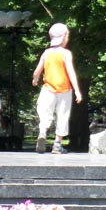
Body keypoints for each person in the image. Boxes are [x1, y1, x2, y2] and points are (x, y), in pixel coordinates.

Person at [32, 22, 82, 154]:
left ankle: (42, 133)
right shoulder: (66, 54)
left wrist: (35, 79)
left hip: (48, 89)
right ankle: (57, 145)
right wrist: (77, 91)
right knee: (63, 116)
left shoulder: (46, 53)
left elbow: (37, 70)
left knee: (45, 113)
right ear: (64, 36)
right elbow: (71, 72)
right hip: (64, 90)